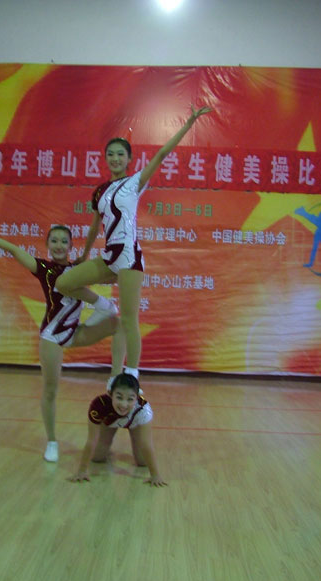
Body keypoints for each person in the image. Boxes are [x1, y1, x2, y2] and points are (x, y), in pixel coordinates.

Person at [56, 105, 212, 389]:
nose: (115, 158)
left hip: (129, 259)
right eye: (110, 154)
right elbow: (95, 226)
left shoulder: (135, 182)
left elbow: (162, 154)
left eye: (120, 154)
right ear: (105, 159)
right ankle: (104, 306)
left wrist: (189, 123)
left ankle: (130, 375)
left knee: (129, 320)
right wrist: (84, 255)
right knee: (64, 282)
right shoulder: (100, 192)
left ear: (129, 159)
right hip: (108, 257)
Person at [0, 218, 126, 463]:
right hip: (53, 336)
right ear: (47, 244)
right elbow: (13, 249)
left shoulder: (78, 269)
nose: (59, 245)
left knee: (119, 325)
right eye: (54, 241)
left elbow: (113, 273)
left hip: (75, 331)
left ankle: (115, 376)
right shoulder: (43, 269)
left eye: (64, 242)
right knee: (50, 390)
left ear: (71, 246)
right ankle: (52, 441)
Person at [69, 373, 166, 487]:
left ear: (137, 398)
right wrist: (82, 470)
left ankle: (133, 439)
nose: (124, 404)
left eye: (130, 399)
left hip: (134, 423)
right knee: (97, 457)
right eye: (119, 397)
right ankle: (106, 444)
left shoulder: (143, 410)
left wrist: (155, 475)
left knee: (142, 462)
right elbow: (91, 440)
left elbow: (146, 444)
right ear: (110, 394)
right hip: (110, 422)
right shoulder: (99, 406)